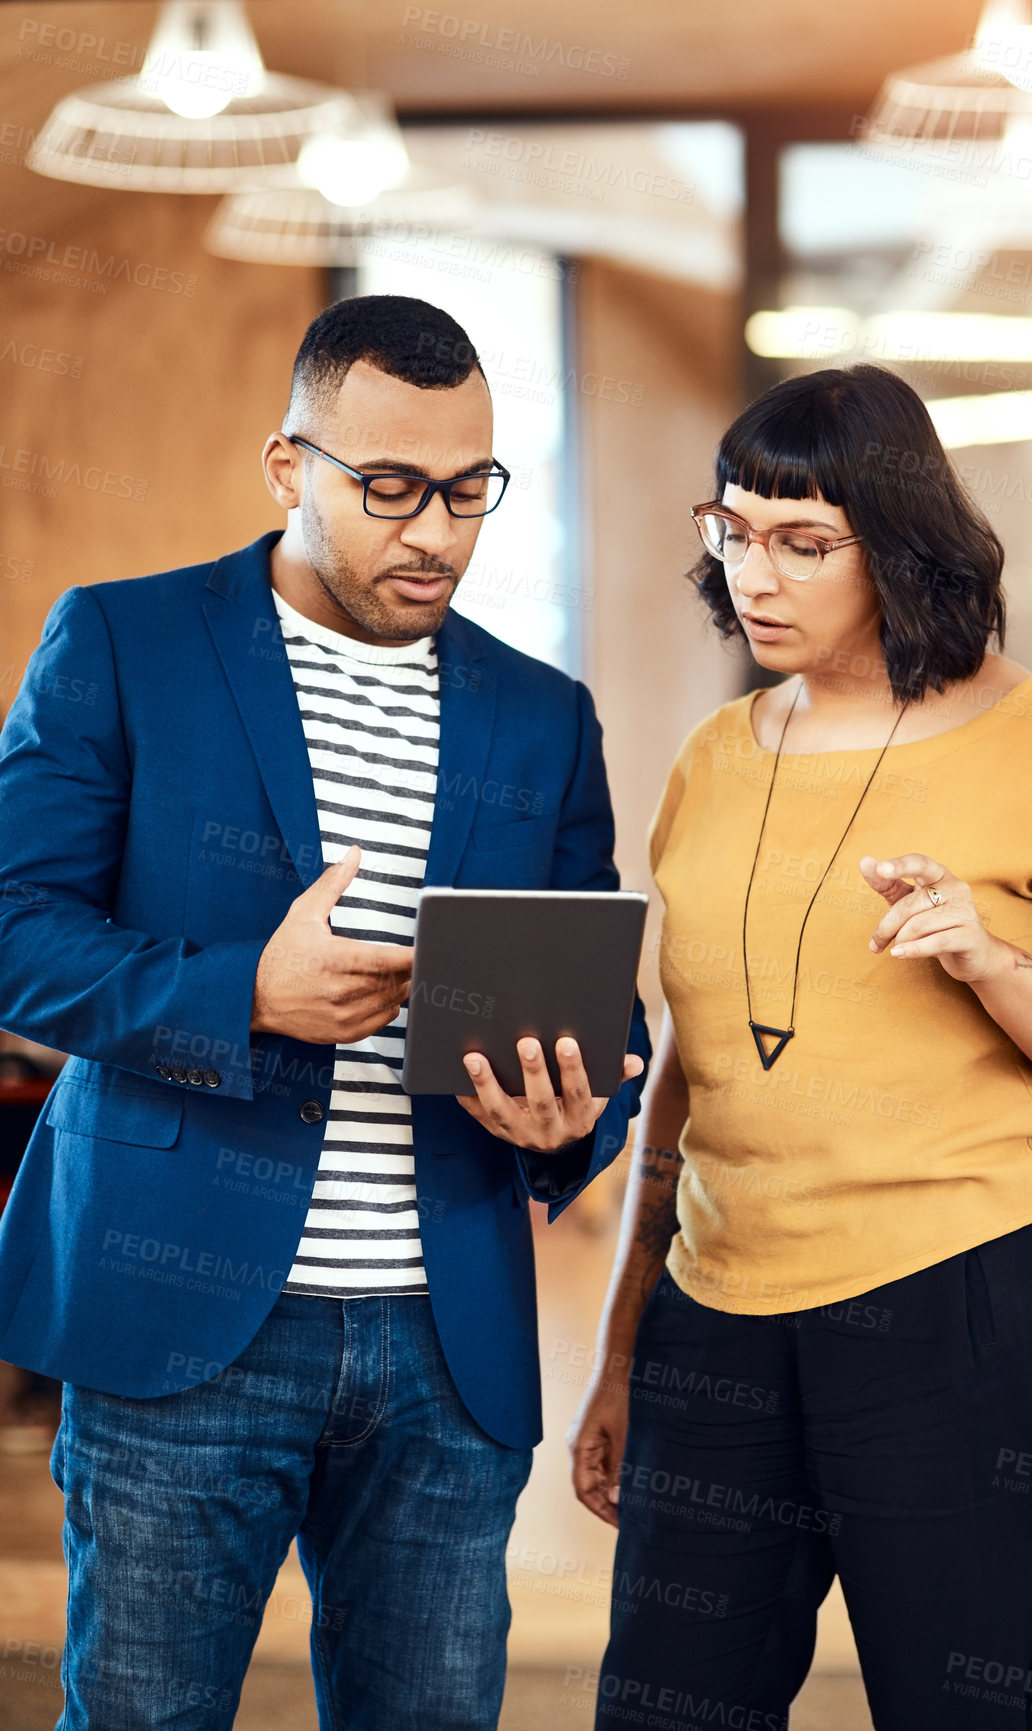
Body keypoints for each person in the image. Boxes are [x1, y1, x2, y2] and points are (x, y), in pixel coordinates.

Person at [0, 293, 650, 1731]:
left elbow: (605, 1012)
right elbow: (16, 929)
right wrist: (244, 994)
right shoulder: (123, 642)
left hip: (447, 1342)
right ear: (288, 467)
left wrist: (574, 1115)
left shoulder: (543, 717)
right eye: (392, 488)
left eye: (469, 488)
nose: (437, 532)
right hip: (183, 1322)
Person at [569, 363, 1032, 1731]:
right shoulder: (715, 754)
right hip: (716, 1314)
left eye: (802, 542)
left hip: (965, 1300)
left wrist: (995, 963)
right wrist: (620, 1348)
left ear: (895, 541)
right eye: (734, 531)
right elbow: (688, 1068)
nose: (754, 576)